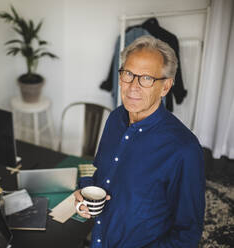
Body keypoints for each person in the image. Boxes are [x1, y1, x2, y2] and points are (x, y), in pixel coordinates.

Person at [74, 35, 205, 247]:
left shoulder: (184, 149)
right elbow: (103, 176)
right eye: (128, 74)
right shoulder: (115, 117)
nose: (133, 86)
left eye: (146, 78)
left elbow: (187, 233)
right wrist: (84, 190)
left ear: (165, 87)